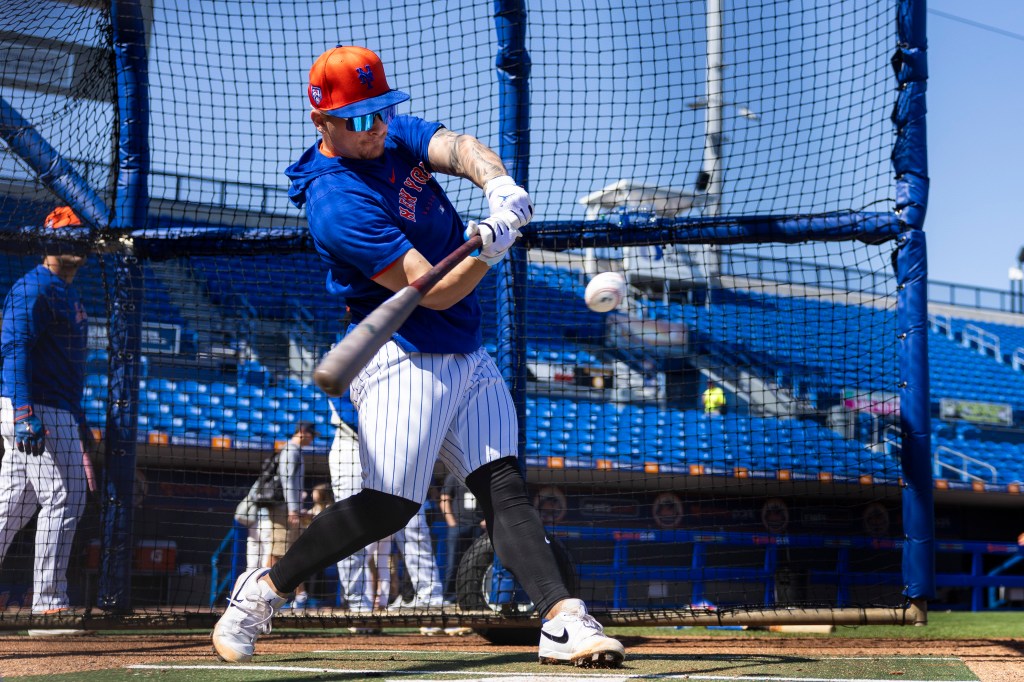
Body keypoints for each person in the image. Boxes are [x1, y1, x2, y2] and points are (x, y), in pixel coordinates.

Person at [213, 45, 624, 668]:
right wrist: (492, 248)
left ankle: (563, 621)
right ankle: (261, 592)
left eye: (380, 111)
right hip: (403, 355)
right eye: (356, 119)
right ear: (321, 122)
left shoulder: (386, 135)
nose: (374, 126)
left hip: (468, 352)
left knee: (504, 491)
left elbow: (456, 146)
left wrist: (499, 187)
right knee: (390, 505)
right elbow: (434, 291)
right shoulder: (335, 202)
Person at [0, 206, 92, 619]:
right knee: (66, 496)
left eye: (80, 238)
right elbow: (13, 349)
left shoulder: (65, 290)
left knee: (12, 506)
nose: (76, 245)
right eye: (67, 237)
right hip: (35, 408)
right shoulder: (33, 287)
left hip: (55, 411)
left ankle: (48, 600)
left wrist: (80, 424)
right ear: (49, 243)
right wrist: (23, 412)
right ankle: (49, 604)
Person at [261, 421, 316, 608]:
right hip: (283, 510)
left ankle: (299, 596)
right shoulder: (290, 450)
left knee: (291, 550)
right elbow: (288, 481)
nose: (313, 439)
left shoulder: (294, 451)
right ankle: (266, 593)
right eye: (312, 435)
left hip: (287, 509)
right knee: (278, 551)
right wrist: (293, 508)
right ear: (303, 432)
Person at [439, 470, 485, 601]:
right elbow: (444, 500)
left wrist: (487, 519)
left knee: (476, 564)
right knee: (453, 562)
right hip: (458, 526)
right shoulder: (453, 476)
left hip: (478, 528)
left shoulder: (481, 477)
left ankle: (473, 597)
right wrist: (452, 523)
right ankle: (449, 597)